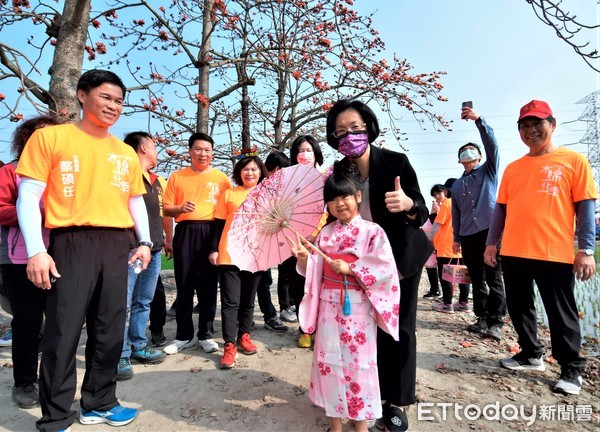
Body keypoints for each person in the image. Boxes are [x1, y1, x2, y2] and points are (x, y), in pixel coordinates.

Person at [16, 69, 152, 431]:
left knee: (110, 327)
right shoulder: (51, 138)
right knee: (63, 331)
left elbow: (135, 199)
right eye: (106, 97)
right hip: (71, 241)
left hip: (116, 243)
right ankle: (57, 416)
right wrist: (35, 251)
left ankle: (100, 401)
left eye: (120, 101)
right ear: (81, 95)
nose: (113, 106)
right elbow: (28, 195)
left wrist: (145, 242)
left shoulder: (124, 152)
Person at [325, 99, 432, 432]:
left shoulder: (396, 162)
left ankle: (396, 403)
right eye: (341, 131)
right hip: (361, 262)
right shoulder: (340, 171)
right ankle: (367, 394)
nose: (349, 135)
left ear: (368, 128)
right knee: (367, 327)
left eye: (355, 128)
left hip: (399, 260)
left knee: (399, 328)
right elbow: (335, 214)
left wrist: (409, 204)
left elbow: (422, 212)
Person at [484, 99, 597, 396]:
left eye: (537, 124)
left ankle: (571, 368)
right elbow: (501, 210)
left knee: (561, 313)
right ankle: (531, 354)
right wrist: (491, 244)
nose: (531, 130)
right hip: (514, 251)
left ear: (552, 125)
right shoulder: (514, 168)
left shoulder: (573, 161)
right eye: (525, 125)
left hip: (553, 253)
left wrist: (586, 250)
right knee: (520, 307)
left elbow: (585, 207)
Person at [291, 162, 400, 432]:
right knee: (329, 363)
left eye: (345, 196)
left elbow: (385, 267)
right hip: (329, 306)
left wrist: (352, 268)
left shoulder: (373, 232)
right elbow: (314, 274)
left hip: (358, 308)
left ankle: (361, 425)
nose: (340, 204)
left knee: (359, 364)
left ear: (358, 197)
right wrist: (306, 260)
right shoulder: (325, 234)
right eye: (332, 199)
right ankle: (336, 424)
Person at [0, 115, 60, 408]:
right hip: (19, 258)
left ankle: (54, 380)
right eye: (39, 135)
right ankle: (24, 382)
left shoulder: (64, 174)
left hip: (62, 256)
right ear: (25, 139)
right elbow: (1, 209)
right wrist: (38, 214)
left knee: (60, 322)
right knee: (27, 322)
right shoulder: (11, 172)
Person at [163, 132, 231, 355]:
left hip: (211, 233)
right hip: (185, 231)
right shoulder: (177, 177)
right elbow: (166, 208)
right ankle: (183, 335)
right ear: (190, 151)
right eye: (198, 149)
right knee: (184, 285)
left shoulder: (222, 179)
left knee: (209, 287)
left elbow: (228, 211)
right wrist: (180, 208)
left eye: (207, 150)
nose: (203, 154)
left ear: (212, 153)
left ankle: (206, 334)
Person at [117, 132, 172, 380]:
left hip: (154, 249)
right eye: (154, 146)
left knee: (143, 301)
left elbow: (162, 213)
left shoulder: (157, 181)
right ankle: (119, 354)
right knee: (123, 303)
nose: (156, 151)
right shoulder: (124, 175)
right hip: (130, 249)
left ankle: (138, 345)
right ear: (142, 148)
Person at [450, 105, 506, 340]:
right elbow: (456, 213)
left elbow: (493, 145)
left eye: (472, 151)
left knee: (494, 275)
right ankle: (481, 316)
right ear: (459, 160)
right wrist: (455, 237)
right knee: (477, 276)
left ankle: (496, 320)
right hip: (467, 234)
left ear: (480, 157)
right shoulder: (456, 185)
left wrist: (479, 120)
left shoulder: (488, 172)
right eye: (464, 152)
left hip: (490, 232)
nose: (468, 154)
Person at [212, 151, 268, 369]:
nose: (250, 172)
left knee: (248, 300)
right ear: (239, 173)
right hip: (229, 254)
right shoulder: (229, 195)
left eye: (254, 169)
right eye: (246, 169)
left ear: (260, 172)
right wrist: (213, 250)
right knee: (230, 301)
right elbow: (217, 224)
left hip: (256, 254)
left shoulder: (267, 195)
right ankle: (228, 344)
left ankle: (244, 336)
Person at [280, 135, 326, 347]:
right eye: (301, 150)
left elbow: (330, 209)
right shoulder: (287, 180)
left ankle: (322, 327)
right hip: (296, 241)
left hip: (321, 240)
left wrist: (316, 234)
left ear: (316, 153)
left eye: (309, 150)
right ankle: (305, 328)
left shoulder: (327, 179)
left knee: (321, 286)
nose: (305, 154)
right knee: (300, 286)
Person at [427, 180, 471, 314]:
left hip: (446, 246)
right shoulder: (466, 202)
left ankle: (447, 304)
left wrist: (428, 238)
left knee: (446, 276)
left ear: (447, 190)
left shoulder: (448, 203)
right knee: (463, 275)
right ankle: (463, 303)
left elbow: (437, 225)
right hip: (462, 246)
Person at [422, 197, 441, 299]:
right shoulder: (431, 216)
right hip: (431, 246)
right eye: (433, 202)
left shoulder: (440, 215)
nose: (434, 204)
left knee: (442, 269)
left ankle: (438, 291)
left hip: (438, 245)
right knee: (430, 267)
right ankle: (435, 290)